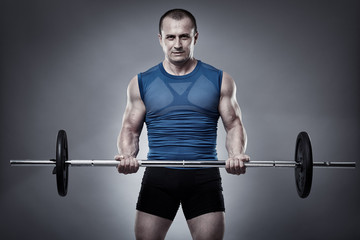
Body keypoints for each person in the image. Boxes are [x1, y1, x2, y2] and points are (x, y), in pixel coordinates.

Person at [115, 9, 250, 240]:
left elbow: (234, 124)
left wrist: (236, 155)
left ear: (195, 37)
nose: (177, 44)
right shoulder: (140, 82)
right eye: (170, 37)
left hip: (204, 176)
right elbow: (130, 128)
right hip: (159, 177)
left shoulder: (220, 79)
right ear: (160, 39)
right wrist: (127, 156)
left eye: (184, 36)